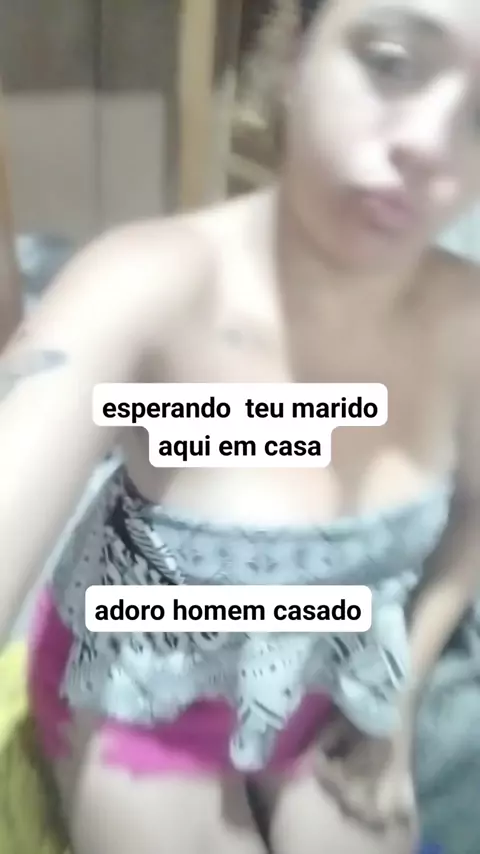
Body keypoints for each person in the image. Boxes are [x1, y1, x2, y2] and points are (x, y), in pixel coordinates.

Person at [0, 0, 480, 851]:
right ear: (295, 55)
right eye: (391, 61)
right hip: (140, 706)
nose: (428, 145)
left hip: (331, 697)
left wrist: (400, 696)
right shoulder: (148, 285)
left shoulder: (467, 324)